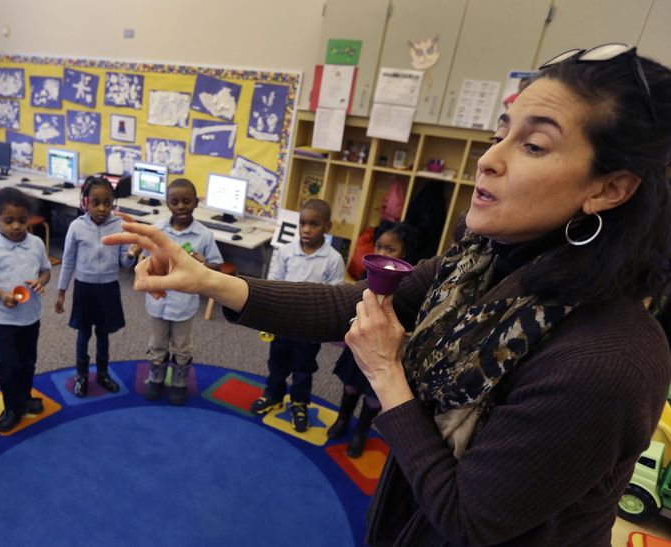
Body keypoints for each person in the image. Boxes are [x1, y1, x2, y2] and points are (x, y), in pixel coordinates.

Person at [105, 45, 671, 545]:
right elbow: (348, 305)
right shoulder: (477, 262)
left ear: (609, 188)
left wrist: (388, 374)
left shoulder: (607, 360)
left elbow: (470, 519)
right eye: (501, 132)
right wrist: (207, 278)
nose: (489, 158)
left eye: (535, 146)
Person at [250, 199, 345, 432]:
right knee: (277, 362)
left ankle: (299, 403)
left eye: (314, 224)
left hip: (310, 327)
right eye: (302, 223)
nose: (306, 229)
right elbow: (273, 281)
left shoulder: (333, 259)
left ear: (327, 227)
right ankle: (273, 393)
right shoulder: (286, 251)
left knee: (303, 368)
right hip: (283, 323)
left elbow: (336, 295)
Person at [328, 220, 418, 456]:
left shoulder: (409, 283)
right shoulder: (367, 275)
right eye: (378, 247)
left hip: (384, 351)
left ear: (404, 253)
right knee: (350, 387)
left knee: (373, 396)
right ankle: (343, 420)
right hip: (360, 345)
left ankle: (361, 432)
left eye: (390, 250)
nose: (381, 253)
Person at [0, 187, 51, 432]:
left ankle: (25, 398)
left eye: (22, 220)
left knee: (28, 362)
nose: (16, 226)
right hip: (3, 318)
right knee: (7, 366)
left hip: (30, 317)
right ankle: (11, 407)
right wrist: (0, 295)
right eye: (9, 221)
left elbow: (46, 270)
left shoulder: (36, 243)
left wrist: (41, 281)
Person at [141, 177, 222, 405]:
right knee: (157, 343)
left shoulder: (204, 235)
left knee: (182, 346)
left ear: (196, 203)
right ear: (168, 204)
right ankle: (155, 378)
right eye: (175, 202)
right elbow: (146, 262)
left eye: (187, 201)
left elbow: (217, 266)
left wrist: (203, 263)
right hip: (158, 301)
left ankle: (179, 383)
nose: (181, 207)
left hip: (184, 304)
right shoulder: (157, 230)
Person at [55, 176, 135, 397]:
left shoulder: (118, 226)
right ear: (86, 203)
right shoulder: (77, 227)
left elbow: (125, 263)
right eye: (95, 203)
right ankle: (81, 375)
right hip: (84, 289)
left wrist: (132, 254)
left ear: (113, 203)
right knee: (83, 333)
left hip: (108, 289)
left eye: (107, 203)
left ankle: (102, 373)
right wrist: (61, 292)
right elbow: (68, 260)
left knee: (103, 333)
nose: (101, 208)